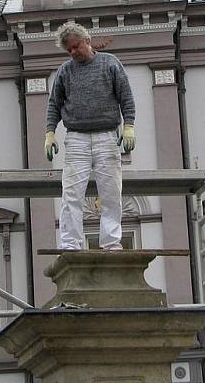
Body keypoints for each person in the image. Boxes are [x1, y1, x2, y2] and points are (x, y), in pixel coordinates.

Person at [44, 23, 136, 250]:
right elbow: (54, 104)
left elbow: (126, 98)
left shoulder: (110, 63)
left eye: (75, 47)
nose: (73, 52)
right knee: (71, 194)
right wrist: (49, 132)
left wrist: (129, 126)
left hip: (107, 136)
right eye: (68, 50)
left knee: (111, 193)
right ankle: (70, 244)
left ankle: (112, 243)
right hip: (76, 138)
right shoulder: (65, 71)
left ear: (87, 41)